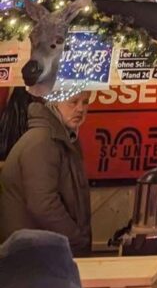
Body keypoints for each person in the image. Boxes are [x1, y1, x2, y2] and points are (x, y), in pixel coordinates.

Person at [0, 90, 92, 256]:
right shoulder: (42, 141)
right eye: (73, 101)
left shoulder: (63, 140)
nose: (80, 109)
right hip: (34, 258)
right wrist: (77, 239)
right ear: (53, 101)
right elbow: (43, 204)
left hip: (45, 253)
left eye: (85, 102)